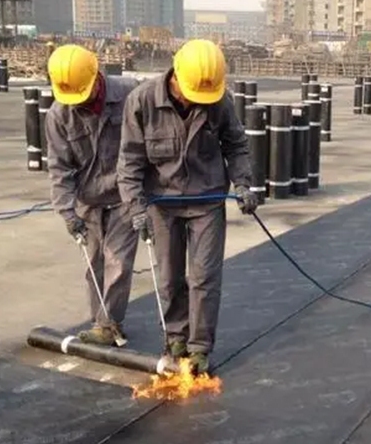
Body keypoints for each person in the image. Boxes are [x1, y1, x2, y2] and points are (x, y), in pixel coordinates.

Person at [117, 39, 258, 375]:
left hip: (207, 201)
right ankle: (176, 337)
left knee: (204, 277)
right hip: (161, 204)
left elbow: (236, 145)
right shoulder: (142, 101)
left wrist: (243, 183)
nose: (199, 101)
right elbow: (130, 160)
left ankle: (199, 348)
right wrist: (135, 206)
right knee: (169, 278)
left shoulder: (218, 99)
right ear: (176, 76)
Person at [46, 44, 140, 346]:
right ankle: (101, 322)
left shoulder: (129, 94)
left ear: (97, 75)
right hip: (88, 201)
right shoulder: (60, 114)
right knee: (94, 265)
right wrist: (67, 211)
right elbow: (59, 167)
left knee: (119, 262)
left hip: (125, 195)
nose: (79, 101)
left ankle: (108, 324)